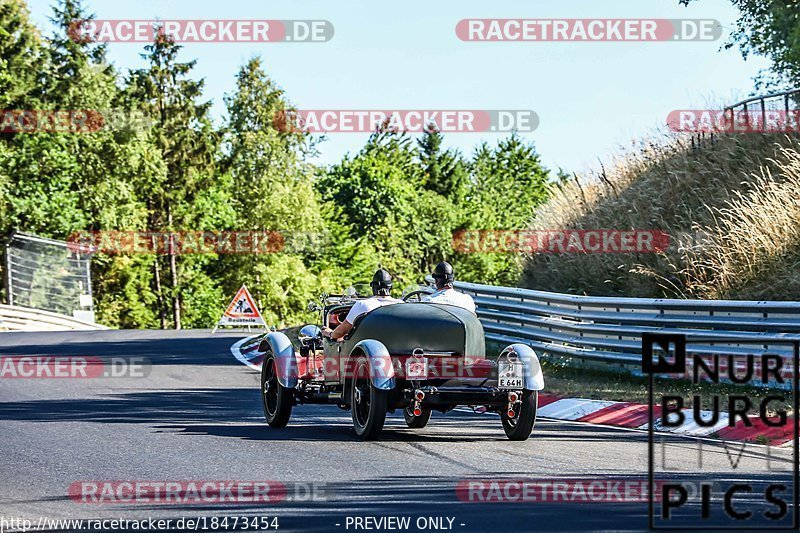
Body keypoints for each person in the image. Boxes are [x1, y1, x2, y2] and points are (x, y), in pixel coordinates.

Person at [322, 269, 403, 341]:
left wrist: (330, 333)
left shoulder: (362, 305)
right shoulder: (401, 305)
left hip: (365, 352)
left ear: (373, 287)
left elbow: (341, 332)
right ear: (390, 287)